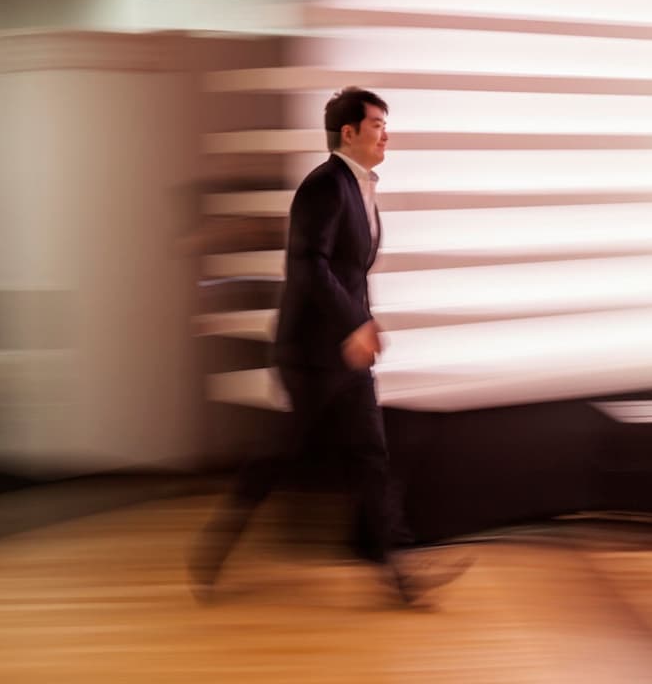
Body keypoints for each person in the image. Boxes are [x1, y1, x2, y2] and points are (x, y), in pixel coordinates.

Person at [190, 86, 470, 606]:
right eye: (378, 124)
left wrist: (362, 324)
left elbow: (348, 272)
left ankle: (399, 572)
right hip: (310, 356)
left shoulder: (361, 187)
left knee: (371, 457)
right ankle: (214, 547)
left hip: (347, 354)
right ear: (349, 132)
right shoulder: (322, 186)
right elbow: (308, 268)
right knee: (280, 456)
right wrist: (354, 324)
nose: (387, 133)